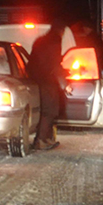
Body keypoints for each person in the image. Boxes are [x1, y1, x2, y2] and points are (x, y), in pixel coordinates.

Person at [27, 19, 67, 150]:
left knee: (46, 110)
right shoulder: (55, 41)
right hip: (46, 80)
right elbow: (53, 63)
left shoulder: (41, 40)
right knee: (49, 111)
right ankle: (41, 140)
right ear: (61, 31)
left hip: (36, 79)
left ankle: (47, 138)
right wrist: (63, 77)